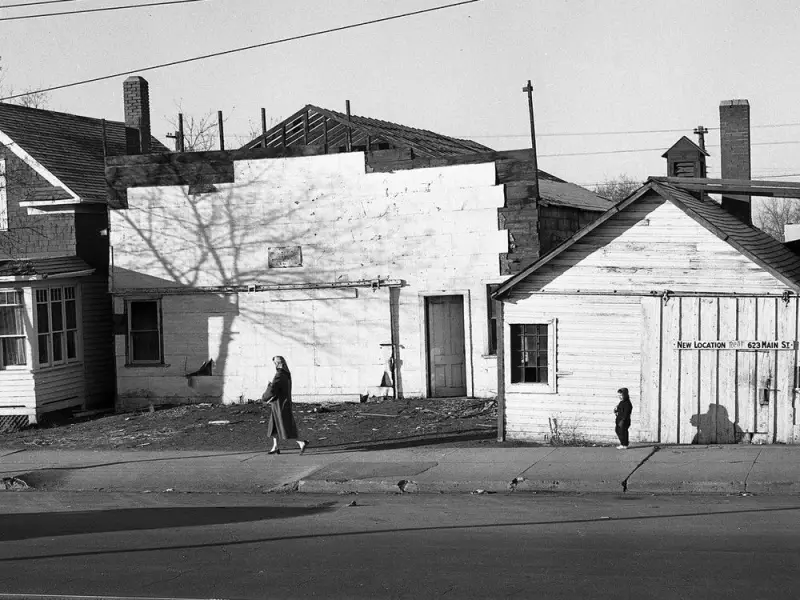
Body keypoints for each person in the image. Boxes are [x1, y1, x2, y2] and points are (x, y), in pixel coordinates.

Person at [262, 356, 308, 455]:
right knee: (274, 425)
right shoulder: (287, 374)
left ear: (277, 364)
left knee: (285, 426)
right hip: (283, 403)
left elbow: (273, 389)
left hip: (279, 404)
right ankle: (275, 447)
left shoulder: (279, 375)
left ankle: (301, 442)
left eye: (275, 363)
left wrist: (266, 392)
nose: (274, 365)